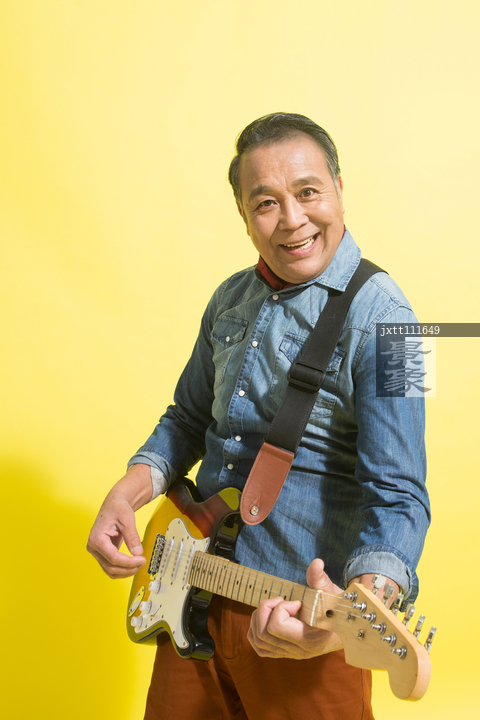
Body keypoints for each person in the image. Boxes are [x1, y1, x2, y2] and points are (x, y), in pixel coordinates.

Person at [87, 113, 430, 719]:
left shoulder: (399, 324)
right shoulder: (228, 297)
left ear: (339, 188)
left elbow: (402, 496)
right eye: (265, 203)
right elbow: (187, 419)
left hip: (298, 620)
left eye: (308, 192)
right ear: (244, 216)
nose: (292, 219)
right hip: (190, 595)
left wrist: (342, 620)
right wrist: (129, 489)